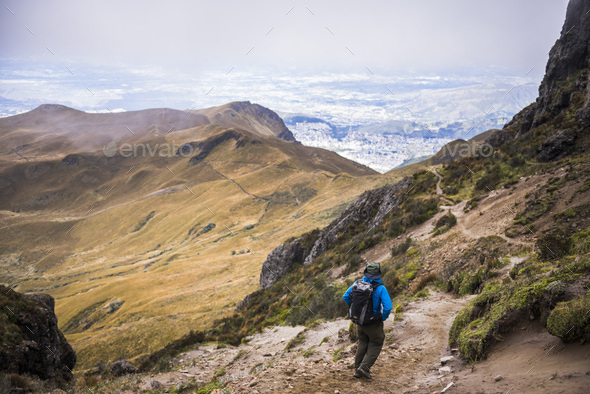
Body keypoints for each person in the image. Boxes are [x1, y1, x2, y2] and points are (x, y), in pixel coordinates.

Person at [343, 262, 392, 379]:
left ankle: (357, 370)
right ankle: (364, 368)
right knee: (376, 343)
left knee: (362, 343)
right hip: (373, 322)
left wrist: (355, 310)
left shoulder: (357, 283)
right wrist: (382, 317)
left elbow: (345, 296)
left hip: (359, 321)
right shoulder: (380, 288)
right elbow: (388, 306)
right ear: (378, 274)